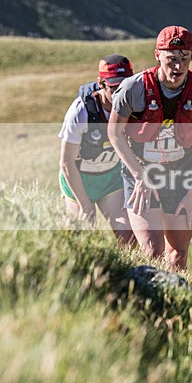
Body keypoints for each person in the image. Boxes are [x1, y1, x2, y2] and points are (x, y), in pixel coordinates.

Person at [108, 26, 192, 271]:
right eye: (171, 58)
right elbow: (115, 133)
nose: (178, 66)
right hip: (141, 173)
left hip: (181, 172)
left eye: (184, 58)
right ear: (157, 55)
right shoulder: (134, 89)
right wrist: (139, 177)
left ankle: (176, 301)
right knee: (152, 250)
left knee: (179, 253)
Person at [58, 54, 135, 245]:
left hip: (111, 180)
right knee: (83, 237)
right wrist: (85, 204)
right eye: (114, 88)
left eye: (126, 87)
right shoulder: (80, 111)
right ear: (101, 83)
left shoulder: (134, 105)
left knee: (129, 238)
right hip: (78, 180)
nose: (121, 94)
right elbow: (66, 163)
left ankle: (127, 273)